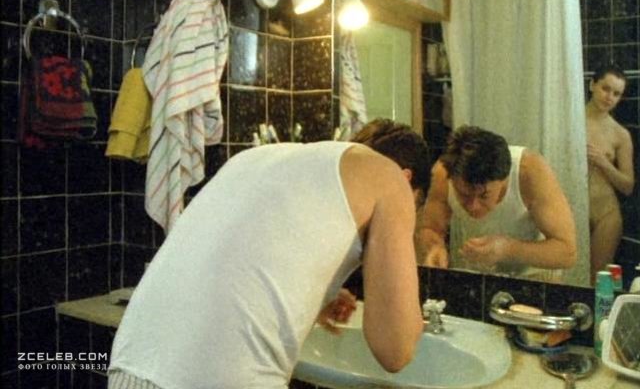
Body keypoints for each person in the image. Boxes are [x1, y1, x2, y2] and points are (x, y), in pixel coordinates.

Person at [108, 118, 431, 389]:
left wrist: (319, 295)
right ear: (407, 179)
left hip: (132, 368)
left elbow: (237, 265)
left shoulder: (258, 157)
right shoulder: (391, 180)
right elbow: (395, 350)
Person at [416, 126, 577, 281]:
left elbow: (567, 252)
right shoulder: (443, 174)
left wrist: (508, 249)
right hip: (473, 276)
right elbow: (430, 229)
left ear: (504, 179)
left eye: (484, 196)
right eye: (463, 195)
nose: (473, 206)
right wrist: (435, 248)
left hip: (534, 278)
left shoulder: (529, 171)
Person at [586, 68, 635, 282]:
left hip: (606, 213)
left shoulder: (620, 134)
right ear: (592, 85)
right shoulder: (569, 122)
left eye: (616, 94)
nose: (609, 97)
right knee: (567, 273)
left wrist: (604, 163)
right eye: (605, 89)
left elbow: (628, 186)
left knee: (599, 279)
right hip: (572, 205)